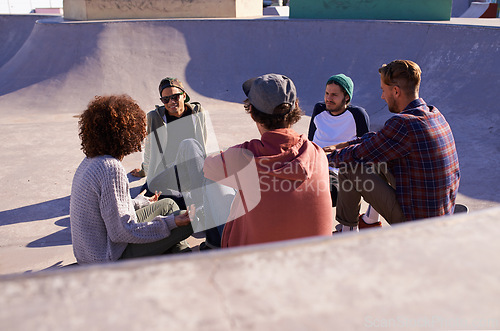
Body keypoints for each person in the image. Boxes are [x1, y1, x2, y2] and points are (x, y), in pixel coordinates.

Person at [325, 60, 460, 232]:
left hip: (416, 223)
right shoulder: (432, 113)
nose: (382, 96)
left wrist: (320, 159)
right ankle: (370, 221)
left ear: (396, 91)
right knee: (379, 158)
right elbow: (380, 140)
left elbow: (359, 154)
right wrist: (345, 144)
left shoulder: (402, 124)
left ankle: (347, 232)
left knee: (350, 166)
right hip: (441, 211)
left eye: (383, 90)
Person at [203, 73, 333, 247]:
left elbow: (208, 167)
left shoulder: (245, 156)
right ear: (295, 106)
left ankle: (212, 245)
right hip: (311, 264)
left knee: (216, 183)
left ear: (252, 113)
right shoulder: (317, 154)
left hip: (255, 265)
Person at [70, 94, 195, 264]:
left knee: (168, 205)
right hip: (108, 257)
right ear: (127, 133)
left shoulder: (90, 161)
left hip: (92, 251)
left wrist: (140, 202)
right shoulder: (110, 168)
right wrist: (172, 223)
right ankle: (185, 258)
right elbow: (122, 232)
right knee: (186, 219)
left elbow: (109, 210)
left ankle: (181, 253)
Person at [131, 77, 233, 249]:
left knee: (190, 146)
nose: (171, 102)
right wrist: (144, 170)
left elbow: (207, 146)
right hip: (167, 176)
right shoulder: (154, 118)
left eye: (175, 97)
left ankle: (198, 207)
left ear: (184, 96)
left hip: (192, 172)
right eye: (165, 99)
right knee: (148, 204)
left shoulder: (197, 113)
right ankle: (199, 208)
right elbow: (149, 149)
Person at [308, 74, 380, 229]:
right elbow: (310, 141)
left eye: (334, 95)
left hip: (341, 170)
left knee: (322, 190)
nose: (328, 98)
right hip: (317, 165)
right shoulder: (319, 110)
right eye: (327, 93)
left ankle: (349, 226)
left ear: (346, 97)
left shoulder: (357, 115)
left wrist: (338, 149)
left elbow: (365, 147)